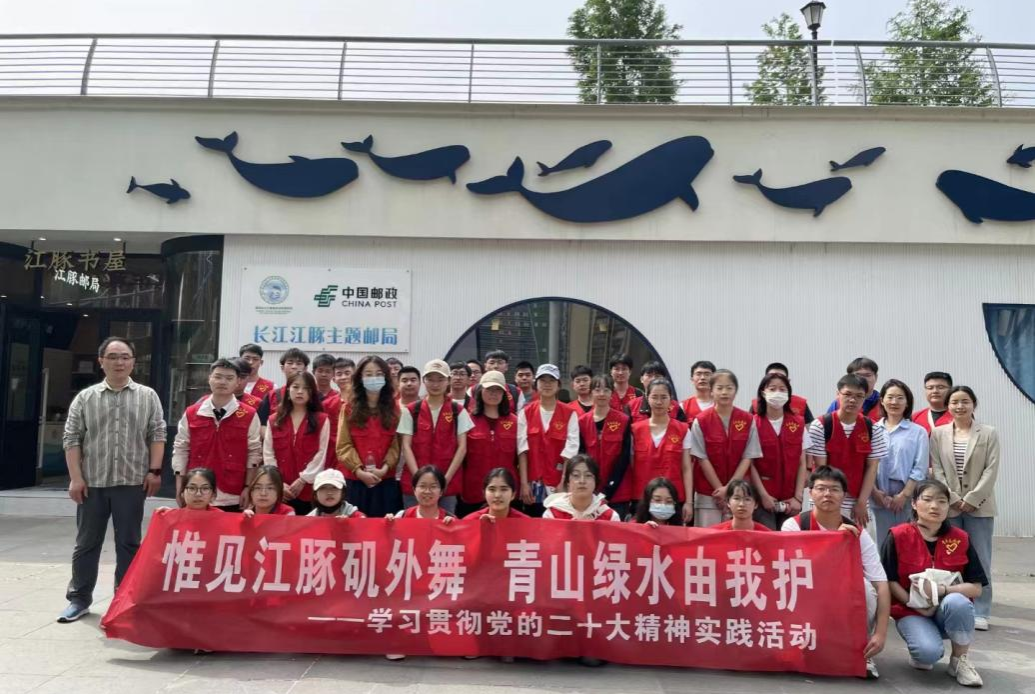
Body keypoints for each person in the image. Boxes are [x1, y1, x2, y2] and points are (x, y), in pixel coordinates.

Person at [58, 337, 166, 624]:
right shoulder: (86, 398)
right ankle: (79, 599)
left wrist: (154, 471)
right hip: (92, 483)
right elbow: (72, 438)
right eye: (113, 356)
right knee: (86, 543)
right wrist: (76, 478)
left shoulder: (147, 396)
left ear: (133, 361)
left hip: (131, 483)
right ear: (101, 361)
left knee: (129, 542)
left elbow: (157, 434)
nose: (120, 362)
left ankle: (125, 599)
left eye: (125, 356)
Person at [782, 466, 889, 680]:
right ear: (810, 493)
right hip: (805, 594)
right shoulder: (794, 526)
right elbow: (789, 573)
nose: (827, 494)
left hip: (839, 595)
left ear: (844, 495)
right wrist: (834, 542)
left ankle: (862, 651)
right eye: (821, 488)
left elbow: (881, 583)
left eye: (834, 489)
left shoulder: (857, 533)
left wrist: (881, 633)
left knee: (866, 588)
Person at [880, 479, 986, 686]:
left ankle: (959, 660)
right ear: (914, 504)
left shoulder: (961, 538)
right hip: (910, 611)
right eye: (927, 500)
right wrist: (915, 605)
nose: (934, 506)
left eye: (941, 501)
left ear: (948, 506)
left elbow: (976, 588)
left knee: (958, 601)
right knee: (927, 654)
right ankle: (922, 647)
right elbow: (889, 580)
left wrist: (943, 589)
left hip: (947, 611)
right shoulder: (898, 535)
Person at [930, 385, 999, 631]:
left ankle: (981, 610)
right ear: (947, 406)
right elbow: (937, 469)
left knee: (981, 557)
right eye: (955, 402)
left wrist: (971, 498)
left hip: (979, 507)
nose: (960, 406)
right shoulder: (938, 434)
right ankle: (952, 605)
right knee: (949, 557)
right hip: (950, 507)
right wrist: (952, 498)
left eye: (965, 401)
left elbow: (991, 469)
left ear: (973, 404)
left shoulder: (988, 433)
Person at [172, 358, 262, 512]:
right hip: (197, 492)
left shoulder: (248, 414)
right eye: (218, 377)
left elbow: (254, 453)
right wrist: (180, 486)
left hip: (233, 492)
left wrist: (248, 487)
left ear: (238, 382)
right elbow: (181, 449)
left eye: (229, 378)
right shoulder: (192, 413)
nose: (223, 382)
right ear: (209, 379)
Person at [807, 374, 888, 526]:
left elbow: (872, 467)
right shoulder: (821, 425)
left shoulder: (873, 428)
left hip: (858, 501)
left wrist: (862, 502)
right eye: (848, 394)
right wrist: (832, 501)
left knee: (859, 539)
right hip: (825, 498)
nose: (852, 400)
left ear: (865, 398)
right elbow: (821, 469)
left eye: (859, 396)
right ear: (838, 394)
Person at [689, 370, 762, 527]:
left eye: (729, 388)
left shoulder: (748, 419)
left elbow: (748, 456)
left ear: (735, 391)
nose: (724, 392)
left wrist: (730, 488)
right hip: (709, 493)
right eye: (719, 388)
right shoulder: (701, 421)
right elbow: (701, 458)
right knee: (708, 537)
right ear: (711, 391)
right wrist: (720, 489)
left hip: (740, 495)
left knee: (738, 536)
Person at [399, 359, 473, 514]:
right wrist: (419, 479)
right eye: (431, 379)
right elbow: (406, 446)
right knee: (413, 523)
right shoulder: (411, 410)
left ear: (448, 381)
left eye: (440, 379)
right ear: (424, 381)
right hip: (415, 483)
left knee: (445, 525)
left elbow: (462, 448)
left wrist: (444, 480)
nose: (435, 384)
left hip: (447, 483)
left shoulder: (458, 410)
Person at [336, 355, 403, 517]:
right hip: (355, 480)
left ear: (386, 378)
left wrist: (384, 469)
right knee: (355, 527)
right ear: (360, 378)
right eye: (368, 374)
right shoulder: (349, 408)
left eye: (379, 374)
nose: (374, 378)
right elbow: (343, 445)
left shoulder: (395, 410)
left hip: (385, 480)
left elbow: (396, 445)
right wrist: (359, 471)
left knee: (383, 527)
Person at [517, 364, 580, 516]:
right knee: (534, 523)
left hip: (558, 482)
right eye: (543, 380)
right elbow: (522, 450)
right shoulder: (526, 413)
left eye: (552, 380)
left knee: (558, 522)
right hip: (534, 483)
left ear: (558, 385)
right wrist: (524, 483)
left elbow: (571, 451)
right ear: (536, 384)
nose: (547, 384)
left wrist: (563, 482)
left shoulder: (569, 413)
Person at [262, 371, 328, 515]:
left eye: (306, 388)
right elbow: (268, 453)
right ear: (287, 391)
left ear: (312, 393)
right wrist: (278, 482)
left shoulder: (322, 419)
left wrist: (303, 479)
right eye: (295, 387)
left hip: (309, 488)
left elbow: (322, 453)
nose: (300, 392)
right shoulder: (274, 420)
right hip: (280, 488)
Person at [872, 379, 929, 544]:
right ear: (882, 400)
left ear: (907, 402)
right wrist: (874, 492)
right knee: (881, 544)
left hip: (907, 497)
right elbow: (864, 465)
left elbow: (920, 468)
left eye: (900, 398)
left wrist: (904, 496)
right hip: (877, 496)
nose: (894, 402)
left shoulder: (918, 432)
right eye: (890, 397)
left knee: (906, 543)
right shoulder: (871, 430)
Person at [748, 372, 807, 530]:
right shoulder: (753, 424)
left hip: (791, 500)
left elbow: (802, 463)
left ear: (788, 394)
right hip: (763, 499)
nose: (777, 393)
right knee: (767, 539)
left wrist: (798, 498)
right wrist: (763, 496)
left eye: (782, 389)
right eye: (772, 389)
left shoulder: (798, 423)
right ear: (763, 392)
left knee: (788, 540)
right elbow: (750, 464)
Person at [630, 378, 693, 523]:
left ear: (671, 400)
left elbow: (686, 468)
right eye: (655, 397)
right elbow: (632, 465)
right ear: (647, 398)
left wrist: (689, 502)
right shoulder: (635, 430)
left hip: (673, 499)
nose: (659, 402)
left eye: (664, 397)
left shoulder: (683, 430)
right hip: (642, 498)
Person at [461, 371, 518, 518]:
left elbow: (521, 458)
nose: (493, 393)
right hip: (473, 490)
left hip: (505, 493)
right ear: (480, 391)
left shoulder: (515, 421)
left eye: (498, 390)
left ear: (504, 394)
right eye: (489, 389)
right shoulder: (467, 419)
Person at [579, 375, 633, 517]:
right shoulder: (582, 422)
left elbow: (624, 458)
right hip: (589, 492)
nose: (602, 394)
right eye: (597, 390)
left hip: (617, 493)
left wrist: (608, 491)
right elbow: (581, 457)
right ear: (591, 393)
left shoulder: (623, 420)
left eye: (606, 390)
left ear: (612, 393)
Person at [543, 454, 621, 520]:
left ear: (596, 481)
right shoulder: (552, 515)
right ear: (568, 481)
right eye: (576, 475)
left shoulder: (610, 517)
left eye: (588, 475)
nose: (582, 481)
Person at [256, 347, 310, 427]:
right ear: (282, 368)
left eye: (299, 363)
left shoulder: (314, 394)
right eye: (290, 363)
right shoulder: (271, 396)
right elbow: (262, 424)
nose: (294, 366)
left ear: (305, 369)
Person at [460, 467, 529, 523]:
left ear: (513, 495)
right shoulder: (469, 521)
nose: (497, 495)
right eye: (492, 489)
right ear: (484, 494)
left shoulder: (526, 522)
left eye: (504, 489)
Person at [826, 357, 883, 423]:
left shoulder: (883, 403)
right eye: (858, 375)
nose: (863, 379)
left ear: (876, 377)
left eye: (867, 375)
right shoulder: (838, 404)